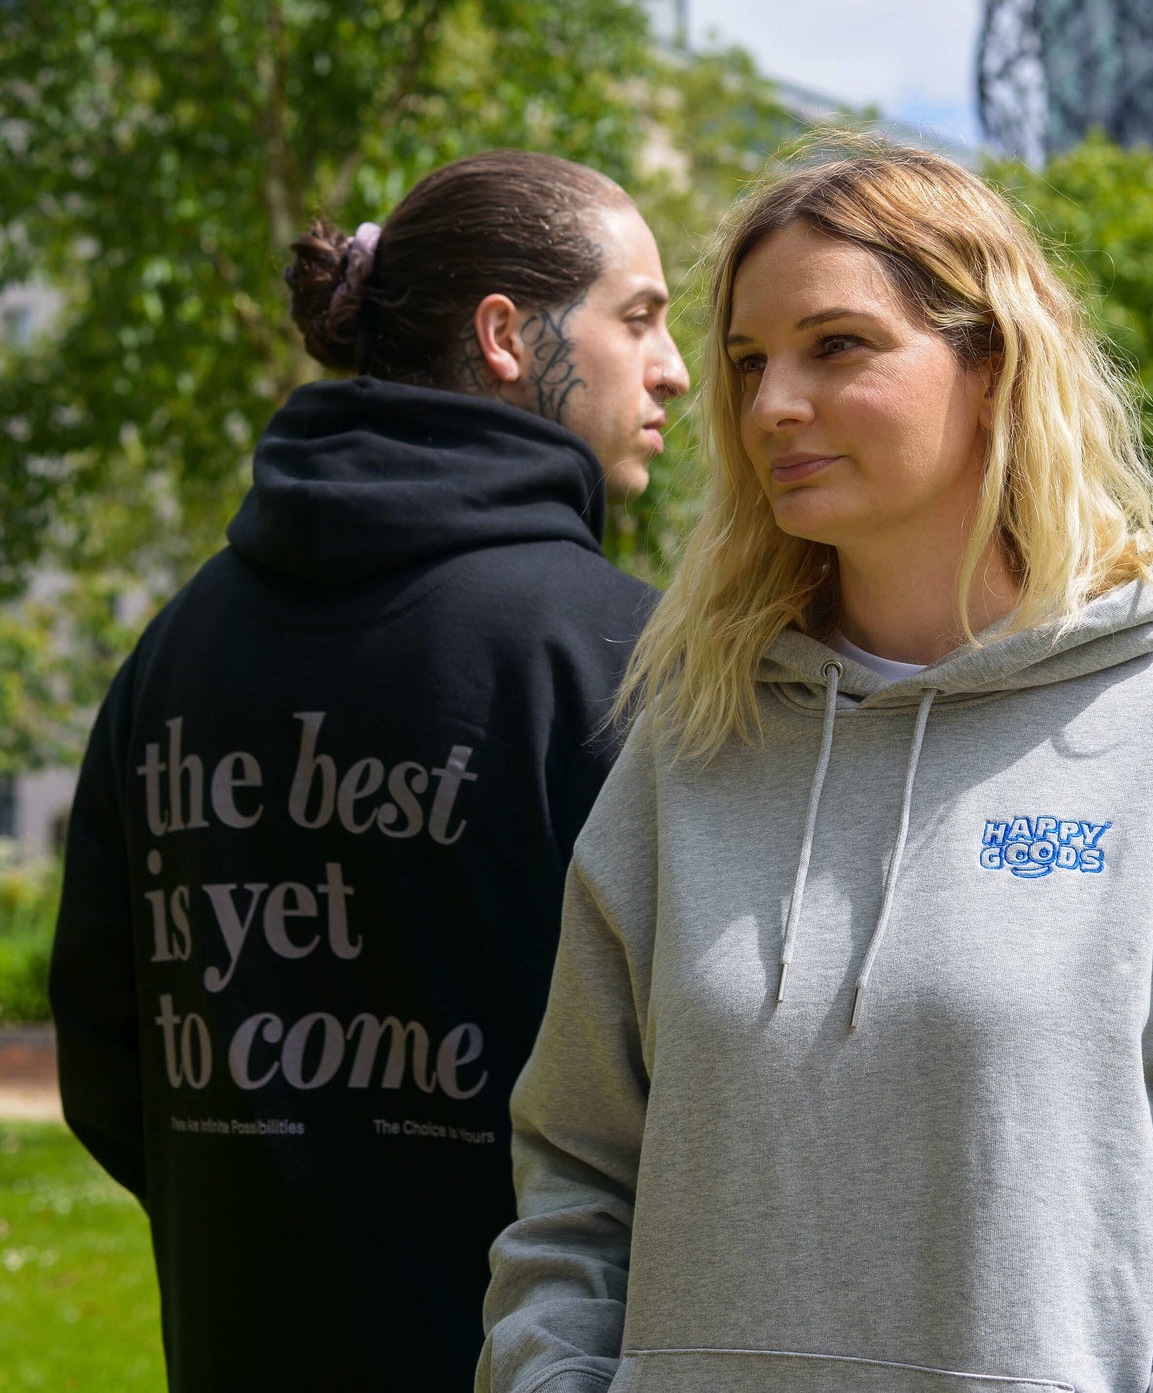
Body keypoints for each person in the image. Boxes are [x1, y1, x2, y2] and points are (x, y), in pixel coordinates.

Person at [480, 141, 1153, 1393]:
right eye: (748, 363)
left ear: (990, 366)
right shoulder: (691, 745)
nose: (768, 408)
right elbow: (575, 1180)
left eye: (836, 346)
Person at [50, 149, 688, 1393]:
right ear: (506, 335)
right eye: (640, 318)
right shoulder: (621, 657)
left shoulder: (174, 650)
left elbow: (105, 1046)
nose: (671, 369)